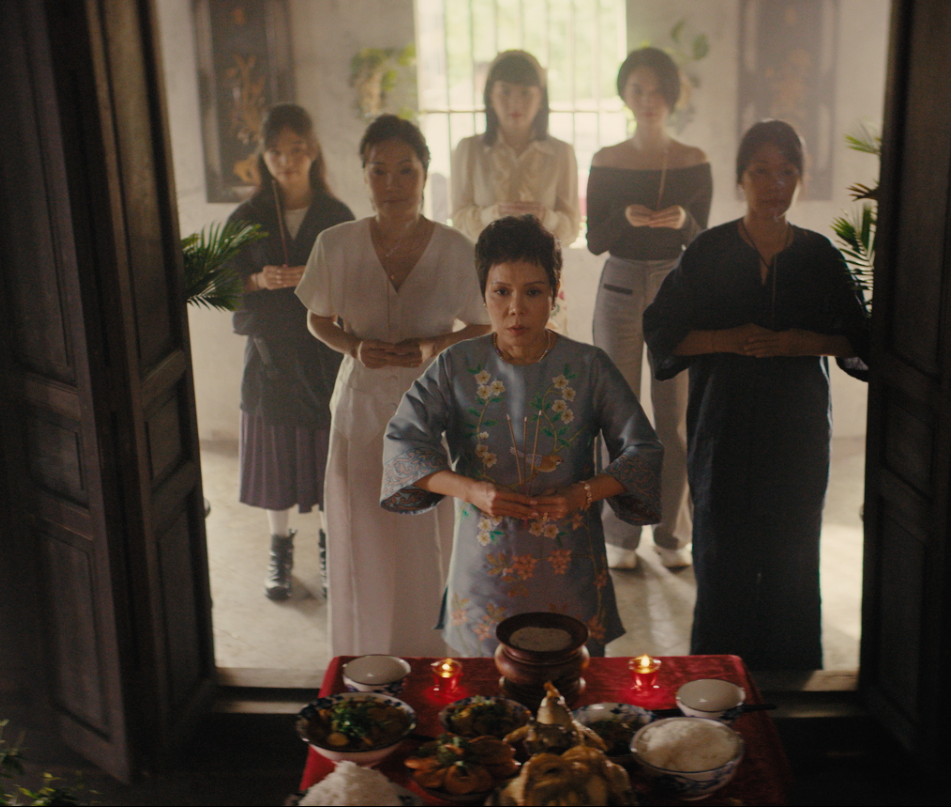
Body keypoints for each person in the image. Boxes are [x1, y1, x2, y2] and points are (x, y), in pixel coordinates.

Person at [643, 120, 871, 670]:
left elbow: (861, 340)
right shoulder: (709, 251)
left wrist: (799, 342)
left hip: (798, 432)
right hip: (723, 432)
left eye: (787, 172)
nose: (775, 184)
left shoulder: (817, 255)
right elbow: (663, 333)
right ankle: (719, 685)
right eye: (761, 171)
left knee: (793, 560)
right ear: (740, 178)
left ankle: (792, 688)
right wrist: (727, 339)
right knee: (723, 559)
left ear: (801, 179)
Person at [381, 215, 662, 656]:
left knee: (571, 681)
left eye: (533, 292)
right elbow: (403, 444)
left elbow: (643, 450)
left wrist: (583, 494)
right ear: (483, 293)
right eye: (501, 292)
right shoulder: (456, 365)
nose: (516, 308)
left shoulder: (588, 366)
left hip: (570, 564)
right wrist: (470, 490)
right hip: (484, 567)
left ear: (554, 293)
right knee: (484, 688)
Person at [298, 115, 490, 657]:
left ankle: (433, 657)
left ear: (425, 173)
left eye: (406, 170)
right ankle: (367, 658)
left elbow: (482, 324)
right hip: (361, 407)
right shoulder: (336, 244)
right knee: (364, 532)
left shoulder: (455, 248)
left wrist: (434, 345)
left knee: (428, 536)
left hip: (432, 410)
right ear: (363, 176)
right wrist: (354, 347)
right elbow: (318, 317)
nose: (393, 183)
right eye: (379, 170)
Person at [586, 47, 712, 571]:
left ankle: (672, 534)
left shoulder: (693, 159)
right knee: (619, 413)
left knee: (674, 418)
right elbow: (595, 240)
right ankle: (620, 535)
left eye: (657, 89)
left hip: (674, 285)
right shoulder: (606, 159)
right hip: (618, 283)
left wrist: (683, 220)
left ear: (672, 95)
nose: (648, 99)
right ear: (624, 94)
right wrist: (624, 218)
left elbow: (703, 242)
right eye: (637, 89)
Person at [224, 104, 356, 601]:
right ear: (263, 155)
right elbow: (221, 286)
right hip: (269, 357)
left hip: (324, 356)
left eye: (296, 149)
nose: (287, 161)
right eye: (276, 151)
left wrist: (319, 282)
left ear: (313, 151)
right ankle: (279, 549)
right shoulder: (247, 216)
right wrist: (259, 280)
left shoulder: (336, 216)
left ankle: (328, 547)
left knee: (326, 458)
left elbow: (357, 284)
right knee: (275, 458)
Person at [449, 50, 582, 248]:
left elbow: (571, 228)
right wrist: (493, 215)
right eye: (505, 92)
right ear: (490, 96)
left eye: (526, 93)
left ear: (541, 98)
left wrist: (544, 216)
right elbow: (458, 221)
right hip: (484, 264)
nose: (515, 103)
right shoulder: (469, 149)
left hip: (541, 264)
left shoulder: (561, 152)